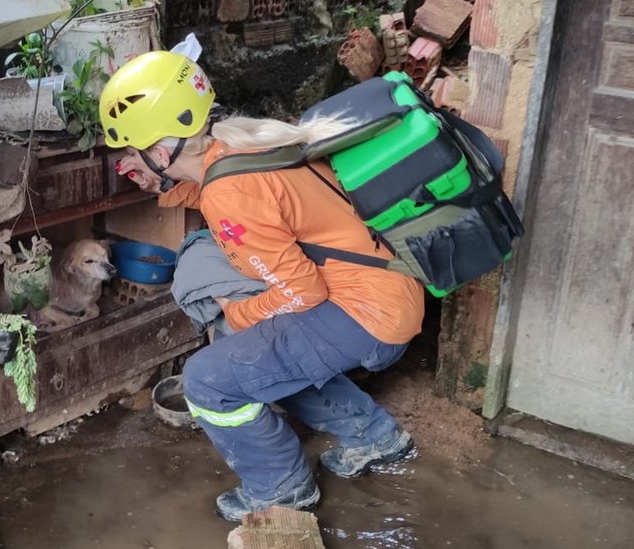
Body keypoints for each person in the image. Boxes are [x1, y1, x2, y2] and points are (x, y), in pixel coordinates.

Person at [98, 51, 425, 522]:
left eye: (131, 149)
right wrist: (160, 183)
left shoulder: (229, 193)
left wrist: (237, 312)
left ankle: (283, 487)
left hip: (363, 313)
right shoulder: (237, 143)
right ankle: (374, 437)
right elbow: (227, 191)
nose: (127, 160)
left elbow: (302, 291)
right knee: (255, 359)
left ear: (162, 145)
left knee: (210, 379)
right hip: (387, 291)